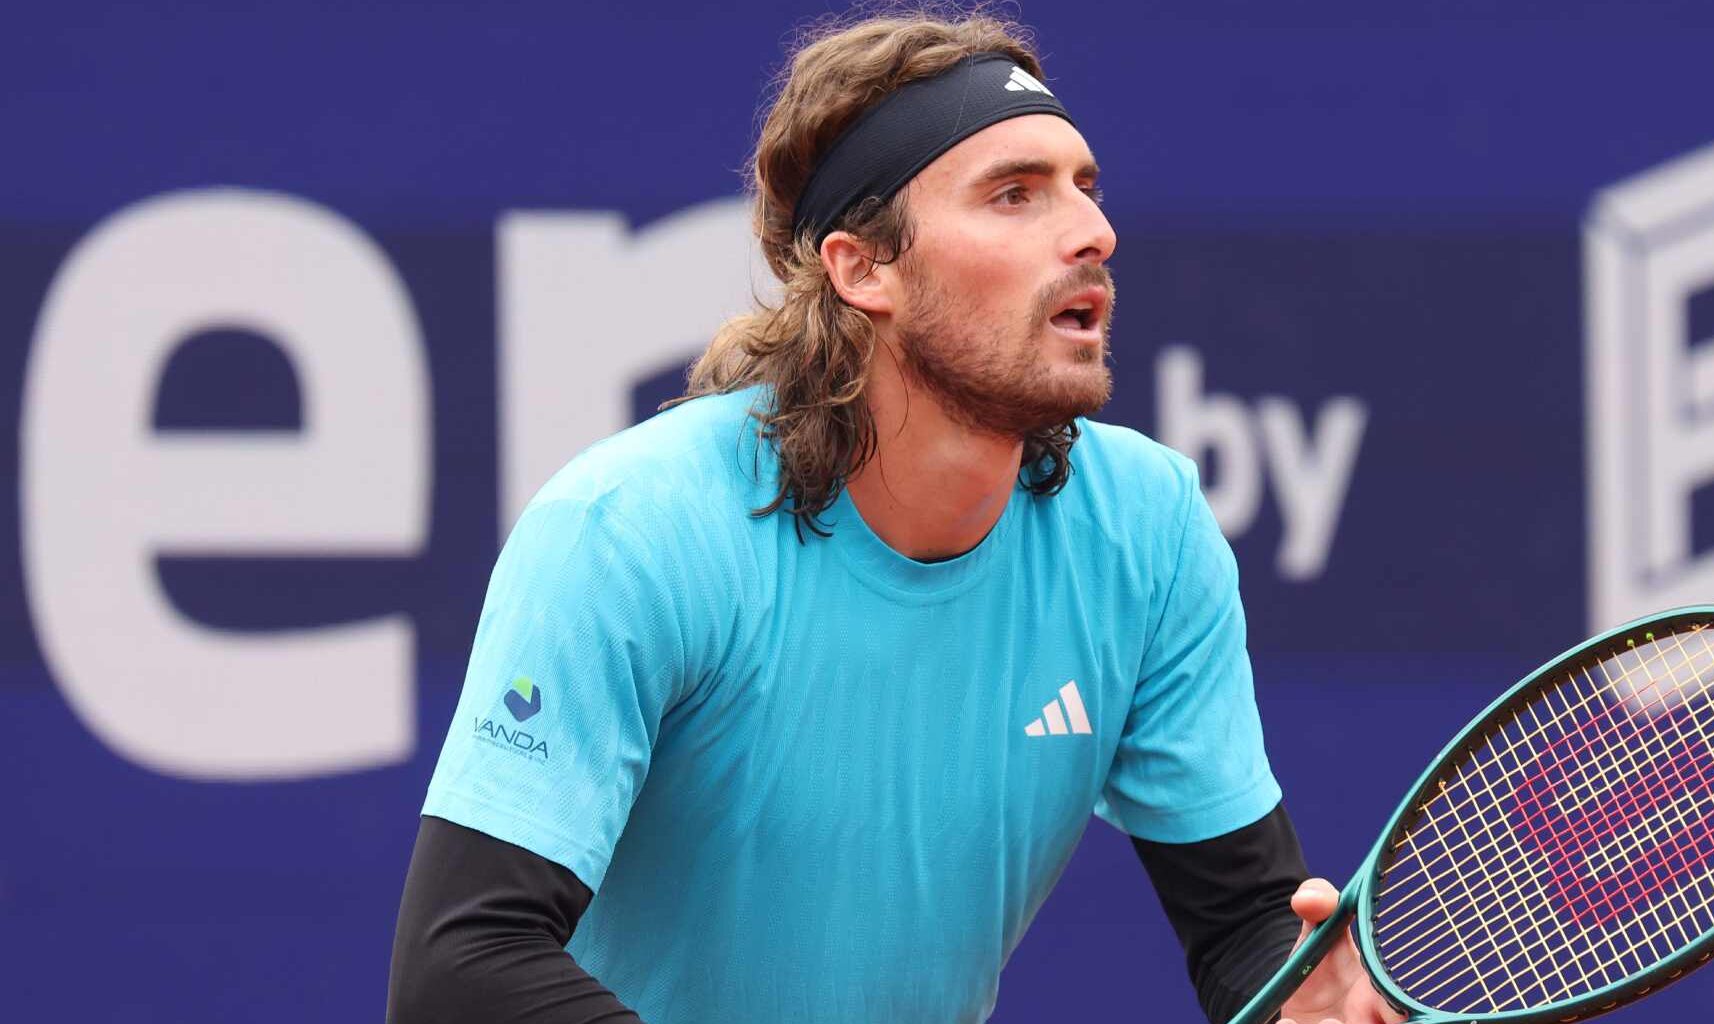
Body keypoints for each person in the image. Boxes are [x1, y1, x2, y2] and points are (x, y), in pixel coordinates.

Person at [387, 10, 1403, 1024]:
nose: (1093, 231)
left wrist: (1297, 1000)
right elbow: (462, 969)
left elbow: (1243, 927)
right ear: (862, 267)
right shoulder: (631, 529)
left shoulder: (1151, 528)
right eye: (1014, 194)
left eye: (1084, 187)